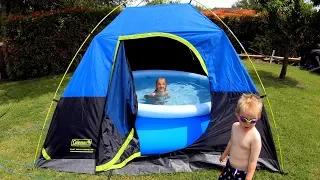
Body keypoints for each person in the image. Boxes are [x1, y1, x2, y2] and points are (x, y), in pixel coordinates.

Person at [218, 93, 262, 180]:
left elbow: (253, 161)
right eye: (244, 119)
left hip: (242, 173)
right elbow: (232, 142)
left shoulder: (255, 138)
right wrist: (224, 155)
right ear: (238, 115)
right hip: (229, 167)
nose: (248, 123)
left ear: (258, 118)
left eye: (252, 120)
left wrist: (248, 178)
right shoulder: (235, 126)